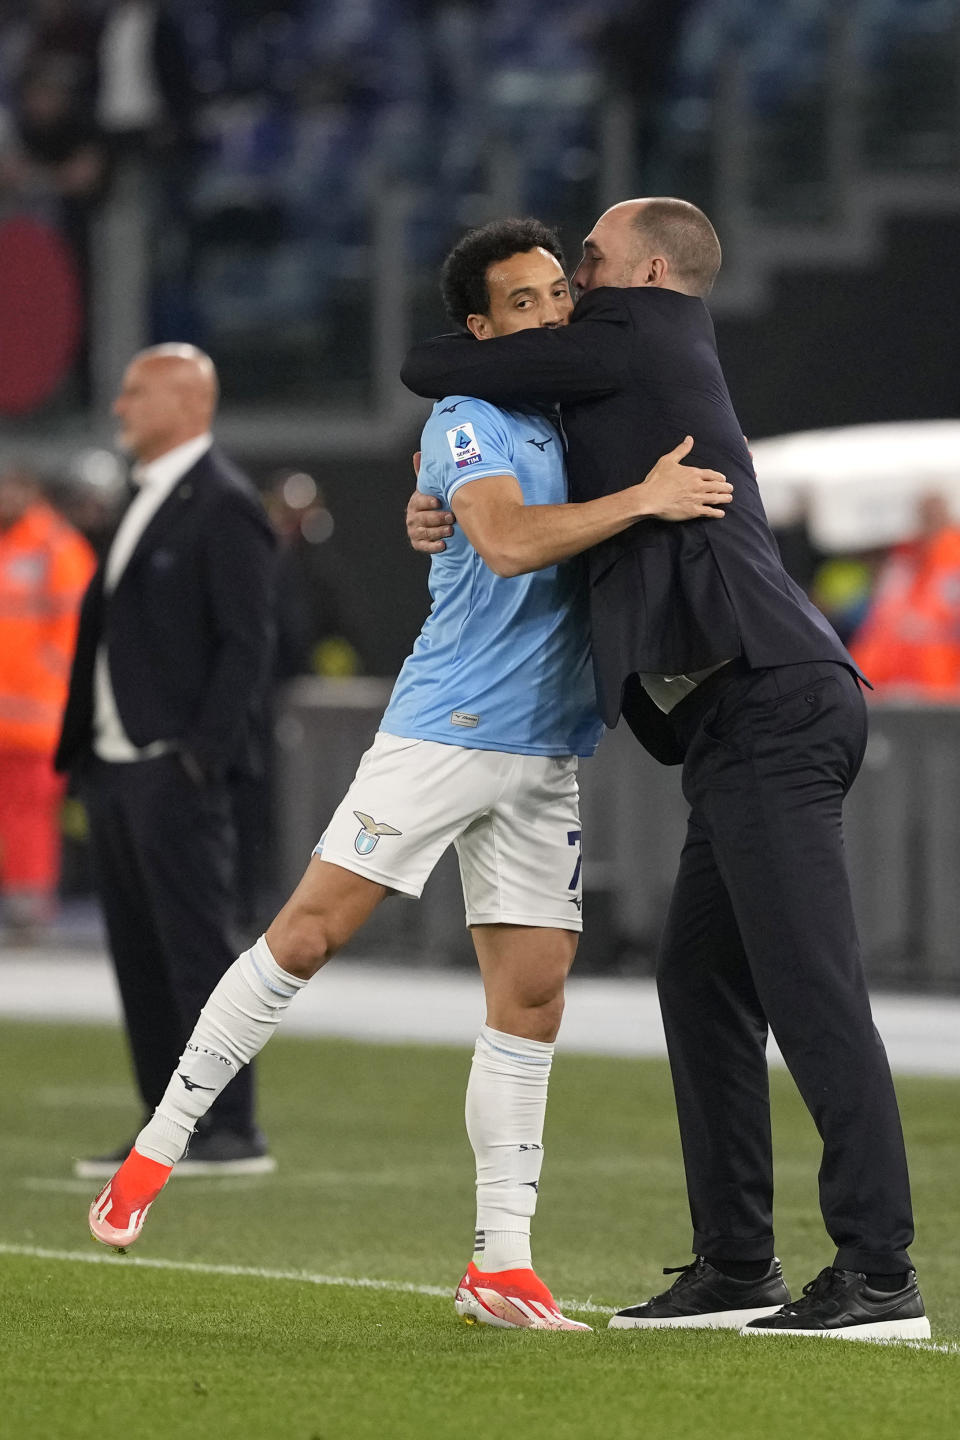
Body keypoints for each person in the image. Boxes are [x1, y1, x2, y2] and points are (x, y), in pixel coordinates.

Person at [85, 220, 730, 1332]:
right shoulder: (468, 415)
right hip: (448, 728)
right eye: (521, 303)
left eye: (555, 295)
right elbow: (512, 542)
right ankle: (155, 1153)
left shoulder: (582, 413)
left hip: (547, 747)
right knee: (307, 936)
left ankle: (501, 1263)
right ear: (480, 330)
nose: (551, 313)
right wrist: (637, 502)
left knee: (532, 1000)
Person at [401, 197, 930, 1341]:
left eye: (586, 263)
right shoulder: (626, 366)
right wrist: (438, 490)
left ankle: (880, 1273)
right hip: (740, 717)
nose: (574, 283)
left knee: (813, 991)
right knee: (701, 988)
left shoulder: (639, 331)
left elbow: (427, 358)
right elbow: (512, 457)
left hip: (771, 703)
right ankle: (738, 1265)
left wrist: (460, 419)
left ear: (643, 271)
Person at [56, 344, 277, 1177]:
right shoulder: (146, 497)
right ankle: (165, 1122)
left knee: (194, 949)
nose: (119, 408)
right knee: (139, 955)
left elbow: (247, 643)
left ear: (189, 401)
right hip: (117, 768)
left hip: (171, 766)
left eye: (135, 393)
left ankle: (228, 1128)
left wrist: (198, 754)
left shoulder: (221, 503)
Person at [0, 463, 95, 939]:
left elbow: (78, 633)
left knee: (30, 816)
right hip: (12, 715)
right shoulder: (13, 545)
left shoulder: (57, 548)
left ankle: (27, 915)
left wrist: (46, 680)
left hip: (38, 717)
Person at [849, 491, 960, 700]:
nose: (930, 524)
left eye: (935, 517)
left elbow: (946, 615)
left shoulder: (953, 556)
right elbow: (881, 616)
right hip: (891, 678)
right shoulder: (904, 559)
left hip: (942, 681)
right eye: (925, 517)